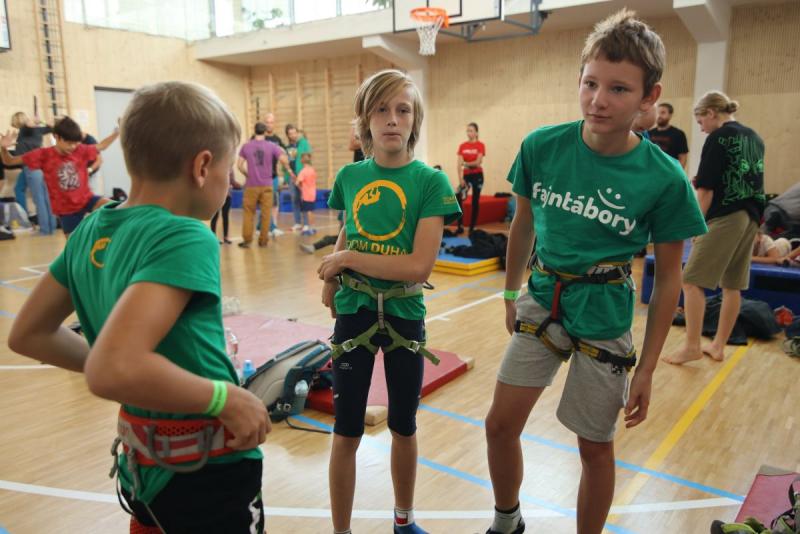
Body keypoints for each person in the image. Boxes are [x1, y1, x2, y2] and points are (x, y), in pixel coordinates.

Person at [7, 81, 270, 533]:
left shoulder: (92, 228)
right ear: (202, 166)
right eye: (229, 171)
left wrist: (124, 369)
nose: (231, 184)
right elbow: (112, 368)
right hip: (206, 471)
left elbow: (28, 334)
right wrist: (223, 397)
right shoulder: (187, 235)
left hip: (145, 467)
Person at [483, 10, 707, 534]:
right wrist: (510, 294)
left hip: (604, 315)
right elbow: (522, 225)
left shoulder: (664, 178)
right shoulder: (541, 146)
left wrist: (646, 368)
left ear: (650, 96)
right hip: (541, 299)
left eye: (618, 89)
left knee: (595, 448)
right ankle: (506, 521)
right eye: (590, 83)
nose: (598, 100)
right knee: (498, 425)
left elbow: (668, 279)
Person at [317, 69, 461, 534]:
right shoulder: (350, 176)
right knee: (346, 431)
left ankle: (404, 519)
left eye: (402, 110)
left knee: (403, 425)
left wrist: (345, 259)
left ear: (415, 120)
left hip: (405, 317)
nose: (392, 119)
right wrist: (333, 275)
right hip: (353, 314)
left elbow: (418, 266)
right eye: (381, 110)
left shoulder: (431, 183)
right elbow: (351, 223)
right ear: (366, 119)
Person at [664, 91, 765, 365]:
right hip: (752, 216)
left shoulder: (719, 137)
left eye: (700, 121)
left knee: (690, 280)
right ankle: (718, 346)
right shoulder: (754, 137)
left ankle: (692, 346)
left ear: (711, 113)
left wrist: (697, 227)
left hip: (727, 215)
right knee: (732, 285)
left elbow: (706, 189)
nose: (701, 128)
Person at [0, 116, 119, 235]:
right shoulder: (44, 155)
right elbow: (9, 161)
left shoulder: (80, 150)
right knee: (73, 243)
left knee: (117, 207)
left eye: (75, 143)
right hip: (66, 209)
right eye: (69, 143)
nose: (73, 147)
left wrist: (118, 132)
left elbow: (102, 145)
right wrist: (4, 148)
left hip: (86, 199)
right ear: (56, 137)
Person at [237, 121, 292, 248]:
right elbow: (284, 160)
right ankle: (263, 241)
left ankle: (247, 240)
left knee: (248, 212)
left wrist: (247, 174)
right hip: (267, 184)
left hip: (251, 185)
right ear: (265, 132)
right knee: (266, 213)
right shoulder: (272, 146)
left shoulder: (246, 146)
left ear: (254, 130)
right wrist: (286, 161)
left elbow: (239, 165)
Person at [8, 112, 57, 234]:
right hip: (38, 167)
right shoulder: (36, 130)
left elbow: (29, 125)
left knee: (39, 198)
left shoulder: (25, 130)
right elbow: (51, 127)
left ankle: (45, 229)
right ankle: (49, 226)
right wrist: (44, 123)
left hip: (31, 167)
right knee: (21, 189)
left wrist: (36, 121)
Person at [456, 122, 486, 234]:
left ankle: (472, 228)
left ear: (476, 133)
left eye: (471, 131)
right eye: (467, 131)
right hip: (466, 176)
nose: (468, 133)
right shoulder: (462, 146)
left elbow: (478, 163)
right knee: (458, 196)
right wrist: (461, 179)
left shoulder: (480, 145)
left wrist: (465, 164)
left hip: (477, 176)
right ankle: (460, 226)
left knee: (475, 201)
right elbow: (459, 164)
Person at [262, 112, 287, 237]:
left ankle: (274, 226)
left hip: (274, 176)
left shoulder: (277, 140)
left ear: (274, 124)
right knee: (265, 203)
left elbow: (285, 153)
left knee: (274, 203)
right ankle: (265, 227)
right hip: (261, 177)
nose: (269, 125)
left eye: (271, 122)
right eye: (267, 122)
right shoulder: (259, 137)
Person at [648, 102, 689, 171]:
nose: (659, 116)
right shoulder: (649, 133)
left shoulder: (678, 134)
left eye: (663, 113)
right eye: (657, 113)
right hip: (651, 171)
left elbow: (683, 157)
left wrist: (678, 173)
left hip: (670, 172)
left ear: (670, 115)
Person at [285, 124, 312, 232]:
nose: (293, 135)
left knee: (304, 199)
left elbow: (308, 157)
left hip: (302, 177)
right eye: (290, 133)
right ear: (287, 135)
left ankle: (306, 223)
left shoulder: (302, 143)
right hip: (292, 177)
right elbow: (286, 162)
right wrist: (288, 175)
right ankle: (297, 223)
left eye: (294, 133)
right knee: (295, 199)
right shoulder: (287, 148)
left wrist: (304, 174)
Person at [211, 169, 239, 244]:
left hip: (227, 196)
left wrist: (239, 185)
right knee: (215, 217)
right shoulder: (216, 168)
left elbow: (232, 181)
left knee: (225, 217)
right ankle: (213, 237)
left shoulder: (231, 169)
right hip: (217, 196)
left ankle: (226, 237)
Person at [296, 151, 317, 235]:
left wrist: (301, 188)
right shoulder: (312, 170)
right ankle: (312, 226)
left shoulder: (303, 171)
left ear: (302, 161)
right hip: (313, 193)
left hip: (306, 194)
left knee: (307, 211)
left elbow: (297, 182)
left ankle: (308, 227)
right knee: (311, 211)